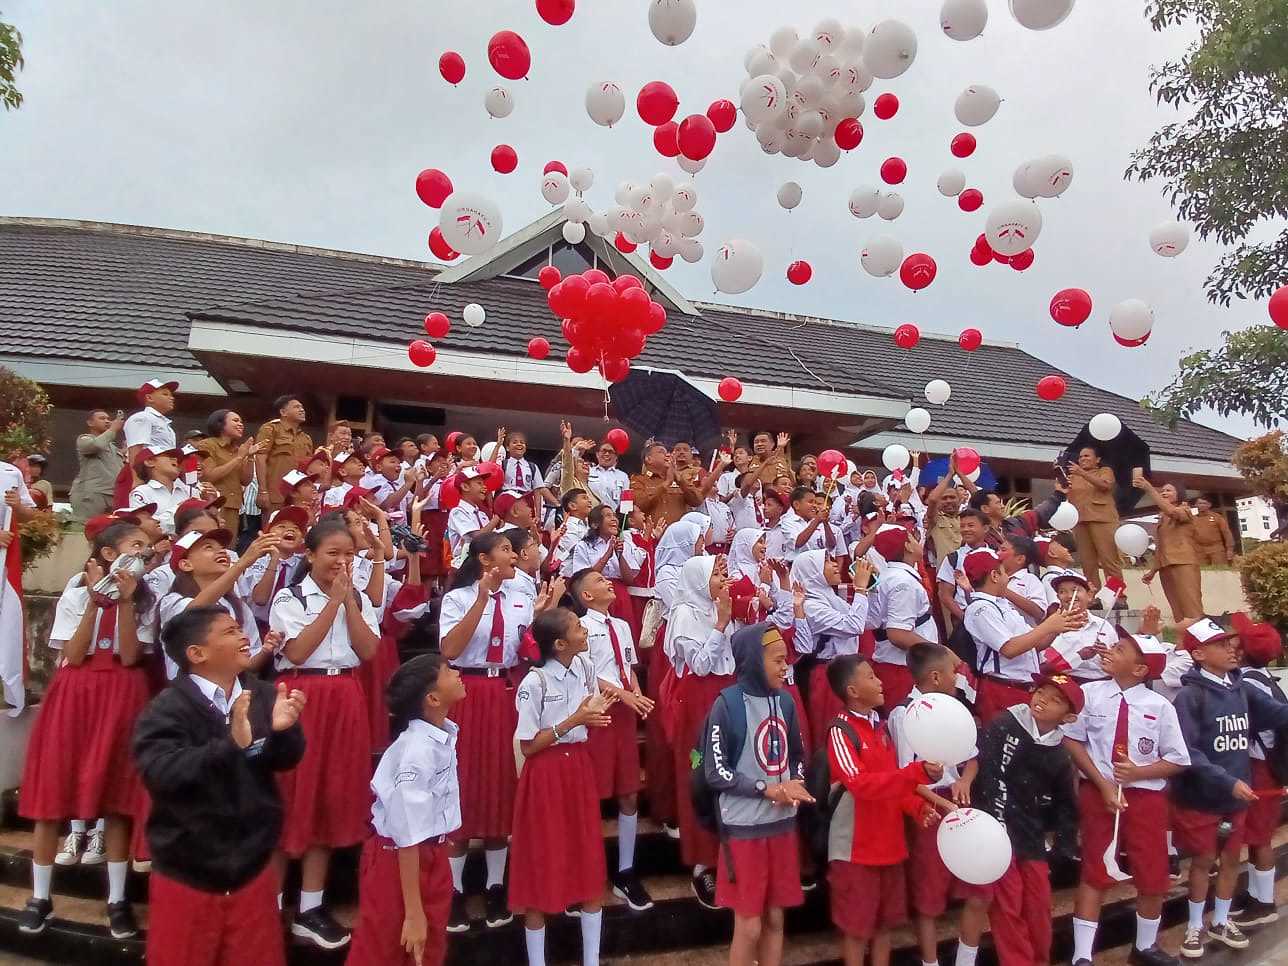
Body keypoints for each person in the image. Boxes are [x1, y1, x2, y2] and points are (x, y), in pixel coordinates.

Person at [131, 606, 306, 966]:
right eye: (228, 632)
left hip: (251, 870)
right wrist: (230, 745)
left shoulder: (263, 694)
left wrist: (283, 733)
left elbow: (284, 760)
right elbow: (161, 773)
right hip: (188, 875)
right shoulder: (168, 708)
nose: (243, 637)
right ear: (197, 654)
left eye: (239, 628)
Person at [17, 521, 156, 939]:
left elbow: (131, 656)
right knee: (54, 790)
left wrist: (126, 603)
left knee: (116, 796)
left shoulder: (146, 599)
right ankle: (40, 897)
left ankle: (117, 900)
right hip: (76, 692)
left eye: (148, 548)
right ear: (110, 554)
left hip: (122, 691)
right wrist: (97, 603)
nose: (145, 553)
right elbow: (73, 654)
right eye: (137, 546)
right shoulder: (77, 593)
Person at [268, 517, 381, 950]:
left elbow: (368, 650)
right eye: (333, 553)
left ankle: (312, 907)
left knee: (333, 794)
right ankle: (273, 904)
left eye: (349, 554)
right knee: (294, 793)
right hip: (302, 694)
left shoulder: (357, 597)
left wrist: (348, 602)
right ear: (311, 555)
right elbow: (296, 650)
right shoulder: (290, 596)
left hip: (346, 693)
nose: (342, 561)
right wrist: (332, 603)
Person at [1063, 628, 1190, 966]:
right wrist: (1102, 784)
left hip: (1145, 799)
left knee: (1152, 871)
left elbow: (1177, 759)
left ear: (1139, 670)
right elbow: (1072, 740)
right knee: (1094, 869)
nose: (1109, 652)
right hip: (1099, 792)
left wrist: (1139, 773)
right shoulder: (1088, 694)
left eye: (1119, 650)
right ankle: (1081, 955)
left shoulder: (1159, 706)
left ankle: (1145, 947)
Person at [1171, 616, 1288, 957]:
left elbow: (1278, 714)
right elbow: (1186, 751)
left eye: (1230, 643)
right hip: (1203, 797)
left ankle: (1221, 920)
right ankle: (1194, 927)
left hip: (1235, 798)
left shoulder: (1242, 689)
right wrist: (1227, 781)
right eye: (1221, 645)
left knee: (1231, 859)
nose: (1232, 648)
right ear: (1199, 654)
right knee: (1204, 861)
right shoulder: (1189, 697)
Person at [702, 623, 811, 966]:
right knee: (748, 926)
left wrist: (796, 784)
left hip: (781, 825)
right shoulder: (727, 705)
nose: (785, 667)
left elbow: (797, 757)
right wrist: (768, 789)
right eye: (778, 659)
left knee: (776, 919)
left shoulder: (786, 702)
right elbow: (715, 772)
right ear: (751, 660)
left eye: (787, 660)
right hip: (744, 829)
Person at [438, 533, 532, 931]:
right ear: (483, 558)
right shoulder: (457, 598)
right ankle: (453, 889)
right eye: (506, 550)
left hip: (505, 691)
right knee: (463, 782)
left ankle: (495, 885)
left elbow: (526, 647)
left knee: (499, 784)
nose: (514, 556)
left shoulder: (521, 596)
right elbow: (450, 650)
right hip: (468, 691)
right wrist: (482, 597)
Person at [510, 607, 614, 966]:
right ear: (559, 643)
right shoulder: (534, 683)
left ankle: (592, 959)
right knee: (541, 861)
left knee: (587, 857)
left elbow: (585, 715)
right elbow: (528, 745)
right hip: (545, 775)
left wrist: (592, 718)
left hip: (578, 769)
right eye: (576, 628)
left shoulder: (585, 668)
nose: (584, 630)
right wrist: (574, 721)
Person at [346, 654, 465, 966]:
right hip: (398, 860)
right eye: (448, 671)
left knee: (429, 951)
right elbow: (407, 836)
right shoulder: (414, 752)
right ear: (433, 698)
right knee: (385, 948)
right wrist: (413, 912)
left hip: (432, 854)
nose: (457, 673)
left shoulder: (442, 736)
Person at [824, 654, 938, 966]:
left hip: (890, 845)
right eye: (871, 677)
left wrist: (916, 806)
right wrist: (916, 773)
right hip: (856, 849)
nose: (880, 681)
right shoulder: (841, 731)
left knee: (885, 925)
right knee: (857, 930)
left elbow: (892, 786)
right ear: (852, 690)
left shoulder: (882, 729)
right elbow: (860, 784)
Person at [886, 644, 985, 966]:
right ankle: (931, 962)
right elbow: (906, 775)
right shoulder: (904, 714)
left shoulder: (954, 708)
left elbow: (971, 758)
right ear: (935, 676)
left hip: (958, 802)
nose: (957, 677)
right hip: (926, 807)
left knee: (978, 888)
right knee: (928, 896)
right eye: (953, 672)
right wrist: (940, 800)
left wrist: (965, 781)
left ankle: (966, 960)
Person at [973, 674, 1082, 966]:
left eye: (1055, 699)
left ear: (1068, 717)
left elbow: (1065, 805)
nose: (1043, 699)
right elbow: (989, 775)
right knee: (1007, 905)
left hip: (1031, 835)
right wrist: (994, 825)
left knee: (1038, 905)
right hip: (996, 829)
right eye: (1042, 691)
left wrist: (1064, 845)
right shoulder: (1005, 724)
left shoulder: (1060, 754)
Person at [569, 568, 655, 911]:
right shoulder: (581, 628)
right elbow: (590, 674)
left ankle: (626, 870)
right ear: (586, 596)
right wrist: (623, 693)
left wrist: (634, 691)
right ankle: (582, 872)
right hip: (596, 714)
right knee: (590, 794)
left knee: (629, 791)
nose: (608, 583)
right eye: (599, 581)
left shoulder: (621, 625)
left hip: (622, 715)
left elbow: (628, 666)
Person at [664, 553, 735, 909]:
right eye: (716, 575)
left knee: (728, 771)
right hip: (698, 702)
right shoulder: (684, 615)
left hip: (726, 695)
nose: (723, 580)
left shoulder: (719, 607)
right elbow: (702, 664)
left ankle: (727, 850)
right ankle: (702, 860)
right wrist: (721, 625)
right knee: (699, 771)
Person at [961, 549, 1083, 723]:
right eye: (1005, 573)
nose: (1007, 578)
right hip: (1001, 688)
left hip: (1022, 688)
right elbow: (1009, 649)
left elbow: (1034, 644)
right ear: (995, 576)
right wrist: (1049, 625)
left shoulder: (1002, 604)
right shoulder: (980, 609)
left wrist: (1059, 625)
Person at [158, 528, 280, 679]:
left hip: (232, 692)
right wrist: (242, 563)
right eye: (208, 547)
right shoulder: (172, 601)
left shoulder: (236, 605)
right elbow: (193, 613)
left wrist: (266, 649)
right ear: (186, 564)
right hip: (189, 695)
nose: (223, 552)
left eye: (222, 548)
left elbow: (249, 663)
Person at [1233, 612, 1287, 927]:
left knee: (1260, 837)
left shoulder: (1249, 683)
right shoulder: (1262, 678)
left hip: (1260, 766)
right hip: (1259, 765)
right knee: (1255, 836)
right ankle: (1255, 893)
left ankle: (1265, 903)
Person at [790, 550, 874, 744]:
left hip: (845, 670)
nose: (835, 564)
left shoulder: (831, 598)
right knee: (834, 731)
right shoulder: (811, 605)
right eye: (826, 561)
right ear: (813, 572)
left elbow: (869, 620)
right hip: (828, 676)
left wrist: (867, 587)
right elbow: (854, 626)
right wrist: (860, 590)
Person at [871, 525, 938, 712]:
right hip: (902, 669)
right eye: (913, 538)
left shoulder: (890, 576)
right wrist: (939, 653)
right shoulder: (902, 582)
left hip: (898, 666)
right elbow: (898, 634)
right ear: (908, 546)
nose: (919, 542)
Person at [1135, 476, 1204, 620]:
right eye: (1162, 491)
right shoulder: (1162, 518)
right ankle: (1185, 640)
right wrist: (1153, 571)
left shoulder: (1185, 510)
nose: (1164, 493)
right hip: (1165, 566)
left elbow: (1173, 512)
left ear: (1179, 494)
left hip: (1183, 562)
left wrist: (1149, 488)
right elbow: (1160, 546)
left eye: (1169, 490)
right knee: (1177, 610)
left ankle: (1202, 640)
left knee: (1191, 607)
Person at [569, 504, 641, 624]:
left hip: (620, 595)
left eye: (614, 516)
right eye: (608, 516)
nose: (614, 519)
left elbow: (629, 579)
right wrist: (608, 554)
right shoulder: (584, 546)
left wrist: (620, 555)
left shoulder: (623, 544)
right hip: (595, 594)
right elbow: (583, 578)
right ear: (595, 524)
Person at [1065, 445, 1122, 593]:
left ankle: (1118, 596)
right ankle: (1093, 596)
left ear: (1097, 460)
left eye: (1087, 456)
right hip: (1081, 521)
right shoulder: (1073, 477)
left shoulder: (1105, 471)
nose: (1082, 459)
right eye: (1080, 457)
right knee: (1087, 563)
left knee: (1109, 560)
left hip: (1102, 519)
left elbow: (1105, 485)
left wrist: (1082, 472)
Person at [117, 378, 179, 508]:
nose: (171, 398)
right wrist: (137, 479)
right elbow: (136, 448)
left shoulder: (166, 425)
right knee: (133, 517)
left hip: (158, 474)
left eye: (171, 395)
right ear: (149, 398)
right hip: (141, 472)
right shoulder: (141, 418)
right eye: (165, 394)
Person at [196, 410, 259, 536]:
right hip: (214, 503)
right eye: (235, 420)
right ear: (220, 424)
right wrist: (239, 458)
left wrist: (250, 457)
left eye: (241, 421)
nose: (241, 424)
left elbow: (245, 480)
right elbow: (208, 476)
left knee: (228, 546)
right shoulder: (207, 444)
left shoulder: (238, 449)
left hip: (234, 505)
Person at [255, 395, 313, 514]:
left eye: (302, 407)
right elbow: (260, 459)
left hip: (299, 496)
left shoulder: (306, 438)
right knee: (273, 529)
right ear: (283, 412)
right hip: (276, 495)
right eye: (297, 407)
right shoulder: (271, 429)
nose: (302, 410)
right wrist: (263, 491)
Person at [936, 510, 989, 632]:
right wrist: (965, 618)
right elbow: (945, 594)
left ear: (985, 528)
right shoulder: (953, 558)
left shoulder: (996, 556)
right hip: (964, 618)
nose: (965, 530)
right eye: (962, 526)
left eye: (971, 526)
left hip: (993, 614)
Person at [128, 447, 200, 535]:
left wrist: (212, 502)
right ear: (150, 462)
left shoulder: (191, 490)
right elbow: (145, 528)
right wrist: (180, 508)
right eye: (168, 456)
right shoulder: (140, 493)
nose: (175, 459)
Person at [70, 409, 126, 521]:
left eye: (108, 419)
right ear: (90, 423)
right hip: (92, 494)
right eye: (102, 418)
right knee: (85, 529)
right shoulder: (84, 439)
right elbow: (94, 446)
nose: (106, 421)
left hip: (112, 494)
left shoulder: (113, 447)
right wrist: (113, 429)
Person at [632, 441, 703, 526]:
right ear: (649, 459)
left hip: (679, 535)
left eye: (668, 453)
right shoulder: (638, 480)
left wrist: (679, 479)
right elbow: (640, 504)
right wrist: (666, 483)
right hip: (653, 537)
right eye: (661, 452)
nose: (667, 455)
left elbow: (697, 501)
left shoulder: (679, 480)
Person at [445, 466, 501, 568]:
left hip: (482, 565)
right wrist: (497, 517)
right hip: (463, 566)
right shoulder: (458, 512)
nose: (484, 487)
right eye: (479, 483)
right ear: (465, 487)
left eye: (483, 483)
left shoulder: (481, 514)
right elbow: (478, 537)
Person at [588, 438, 630, 511]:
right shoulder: (588, 472)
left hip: (613, 517)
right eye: (604, 451)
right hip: (591, 517)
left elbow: (627, 504)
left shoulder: (623, 476)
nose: (607, 454)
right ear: (597, 454)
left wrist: (623, 521)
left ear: (616, 456)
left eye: (610, 452)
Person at [1191, 496, 1234, 565]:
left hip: (1216, 549)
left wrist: (1230, 549)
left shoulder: (1217, 517)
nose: (1202, 505)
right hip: (1199, 551)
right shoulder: (1192, 519)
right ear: (1196, 505)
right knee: (1203, 573)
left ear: (1209, 505)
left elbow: (1227, 533)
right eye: (1200, 503)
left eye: (1204, 503)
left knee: (1220, 571)